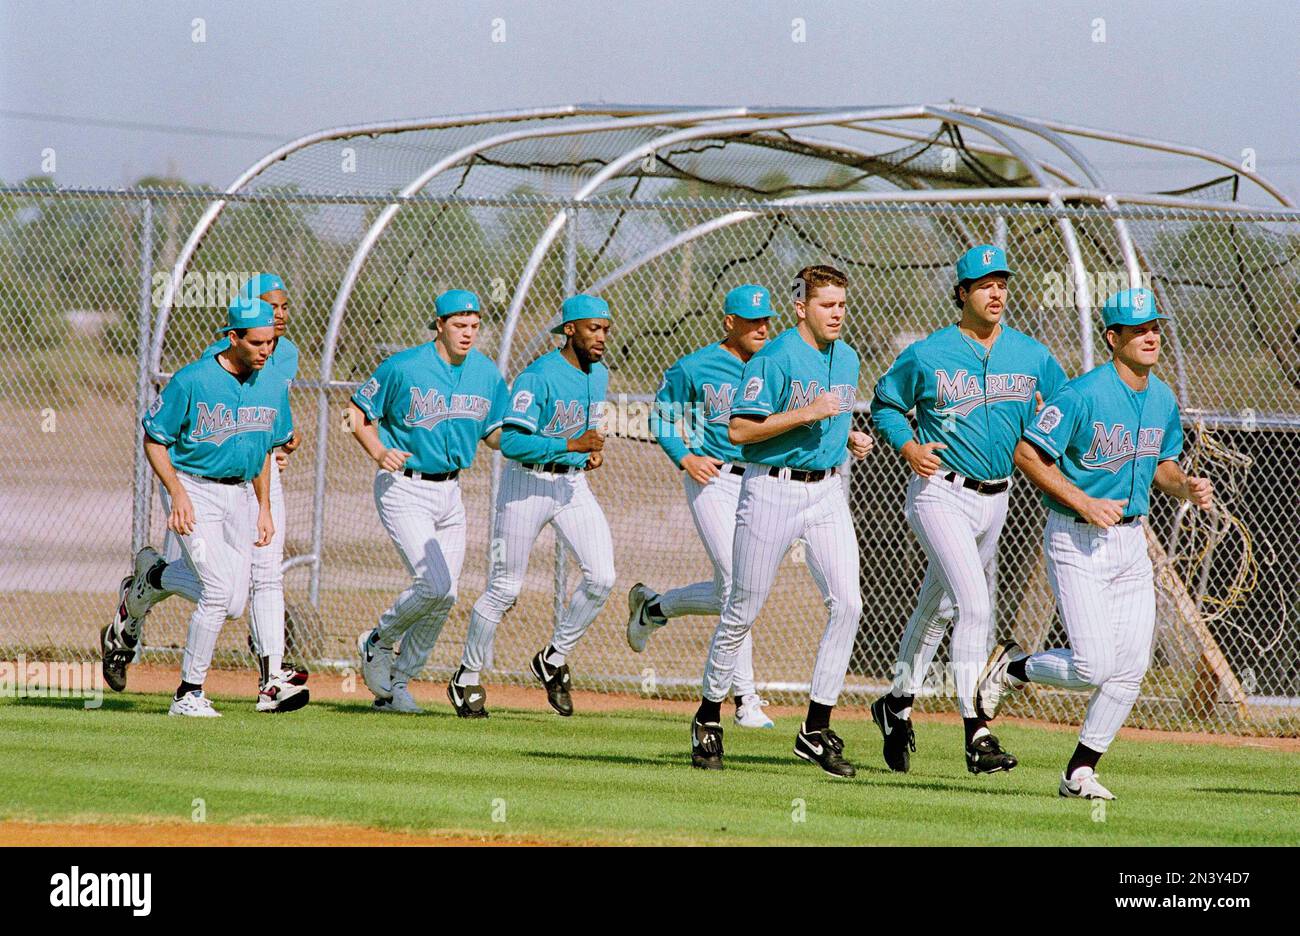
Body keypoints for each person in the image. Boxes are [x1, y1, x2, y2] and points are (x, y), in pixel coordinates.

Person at [976, 287, 1214, 799]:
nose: (1151, 336)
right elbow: (1027, 454)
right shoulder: (1082, 394)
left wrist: (1186, 486)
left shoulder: (1163, 398)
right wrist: (1083, 502)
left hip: (1132, 541)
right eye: (1138, 329)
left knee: (1130, 668)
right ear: (1113, 338)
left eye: (1155, 328)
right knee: (1093, 666)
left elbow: (1163, 468)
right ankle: (1012, 666)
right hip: (1077, 538)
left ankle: (1079, 772)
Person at [868, 245, 1066, 774]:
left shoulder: (1031, 355)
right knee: (974, 607)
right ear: (962, 294)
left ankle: (895, 704)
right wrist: (908, 446)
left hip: (996, 498)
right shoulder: (929, 352)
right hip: (940, 492)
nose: (996, 292)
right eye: (984, 284)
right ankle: (977, 731)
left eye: (1002, 282)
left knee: (936, 609)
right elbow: (884, 403)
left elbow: (1070, 408)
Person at [690, 265, 872, 775]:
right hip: (770, 488)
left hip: (827, 492)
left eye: (841, 304)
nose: (836, 313)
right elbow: (742, 430)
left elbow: (829, 414)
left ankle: (815, 728)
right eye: (826, 304)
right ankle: (708, 715)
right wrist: (808, 414)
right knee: (743, 607)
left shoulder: (849, 357)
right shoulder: (774, 358)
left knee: (849, 604)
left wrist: (848, 435)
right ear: (801, 308)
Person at [102, 295, 300, 716]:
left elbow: (266, 448)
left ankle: (152, 578)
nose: (267, 350)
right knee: (215, 592)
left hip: (241, 494)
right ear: (232, 338)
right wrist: (177, 493)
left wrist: (264, 507)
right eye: (257, 342)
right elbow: (155, 439)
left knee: (233, 603)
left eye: (271, 343)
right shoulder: (193, 380)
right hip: (195, 489)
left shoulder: (270, 383)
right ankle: (187, 693)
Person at [451, 294, 615, 717]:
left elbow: (588, 428)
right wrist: (571, 444)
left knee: (602, 577)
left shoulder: (600, 375)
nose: (601, 337)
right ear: (569, 330)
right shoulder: (537, 376)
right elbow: (512, 441)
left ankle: (553, 658)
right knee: (505, 589)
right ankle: (467, 675)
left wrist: (588, 452)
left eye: (606, 329)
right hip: (526, 485)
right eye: (593, 328)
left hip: (571, 485)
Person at [350, 289, 508, 715]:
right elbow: (357, 413)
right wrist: (379, 450)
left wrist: (542, 445)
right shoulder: (404, 366)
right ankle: (377, 640)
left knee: (447, 596)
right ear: (438, 325)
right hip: (404, 486)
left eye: (474, 325)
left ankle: (396, 684)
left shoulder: (486, 373)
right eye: (459, 325)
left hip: (450, 492)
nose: (468, 333)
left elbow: (494, 435)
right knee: (433, 584)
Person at [630, 284, 780, 729]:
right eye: (752, 322)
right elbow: (661, 414)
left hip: (761, 481)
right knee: (738, 585)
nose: (762, 328)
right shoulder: (696, 365)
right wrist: (685, 456)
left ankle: (654, 609)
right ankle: (746, 699)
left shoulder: (776, 364)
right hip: (713, 479)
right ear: (729, 323)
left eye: (767, 321)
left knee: (731, 590)